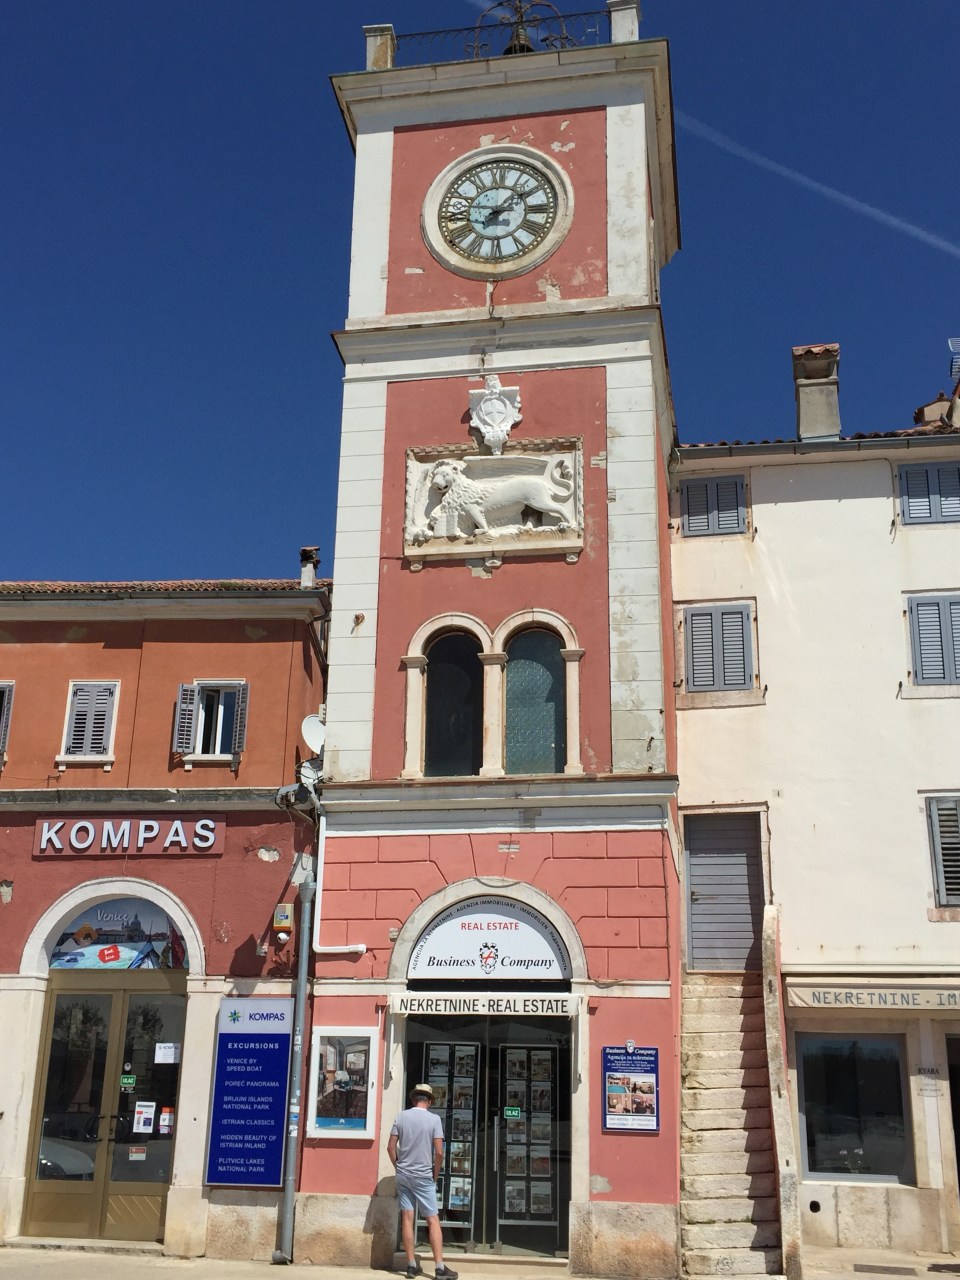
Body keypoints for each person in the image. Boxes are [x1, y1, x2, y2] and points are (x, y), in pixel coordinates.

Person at [387, 1083, 458, 1280]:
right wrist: (435, 1173)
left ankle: (411, 1265)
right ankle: (439, 1267)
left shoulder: (401, 1116)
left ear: (413, 1099)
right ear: (430, 1101)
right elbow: (439, 1152)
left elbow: (391, 1147)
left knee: (407, 1218)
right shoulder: (434, 1119)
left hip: (404, 1175)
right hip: (423, 1175)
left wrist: (398, 1167)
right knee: (432, 1219)